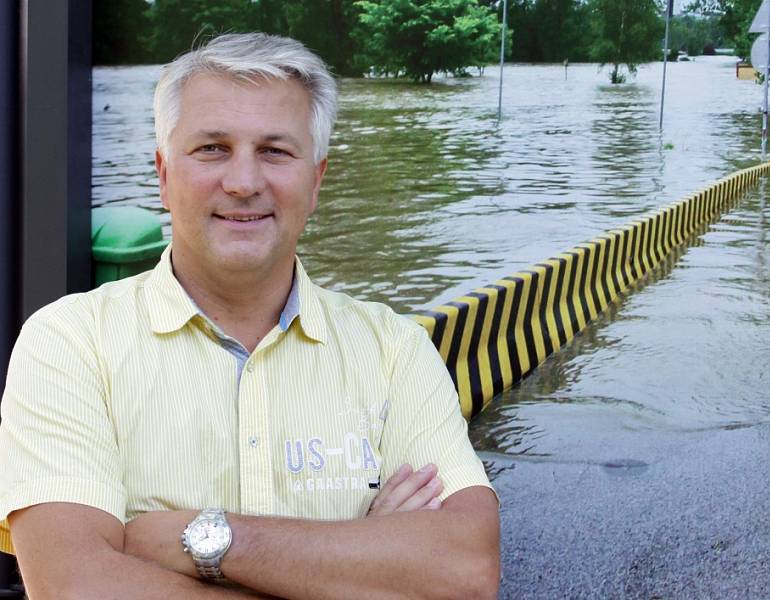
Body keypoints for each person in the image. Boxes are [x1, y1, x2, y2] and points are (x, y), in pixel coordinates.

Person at [0, 33, 499, 599]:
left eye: (275, 151)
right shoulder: (69, 343)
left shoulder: (393, 350)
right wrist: (359, 558)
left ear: (316, 181)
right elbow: (74, 587)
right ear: (164, 175)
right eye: (212, 148)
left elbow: (466, 572)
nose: (243, 182)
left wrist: (201, 540)